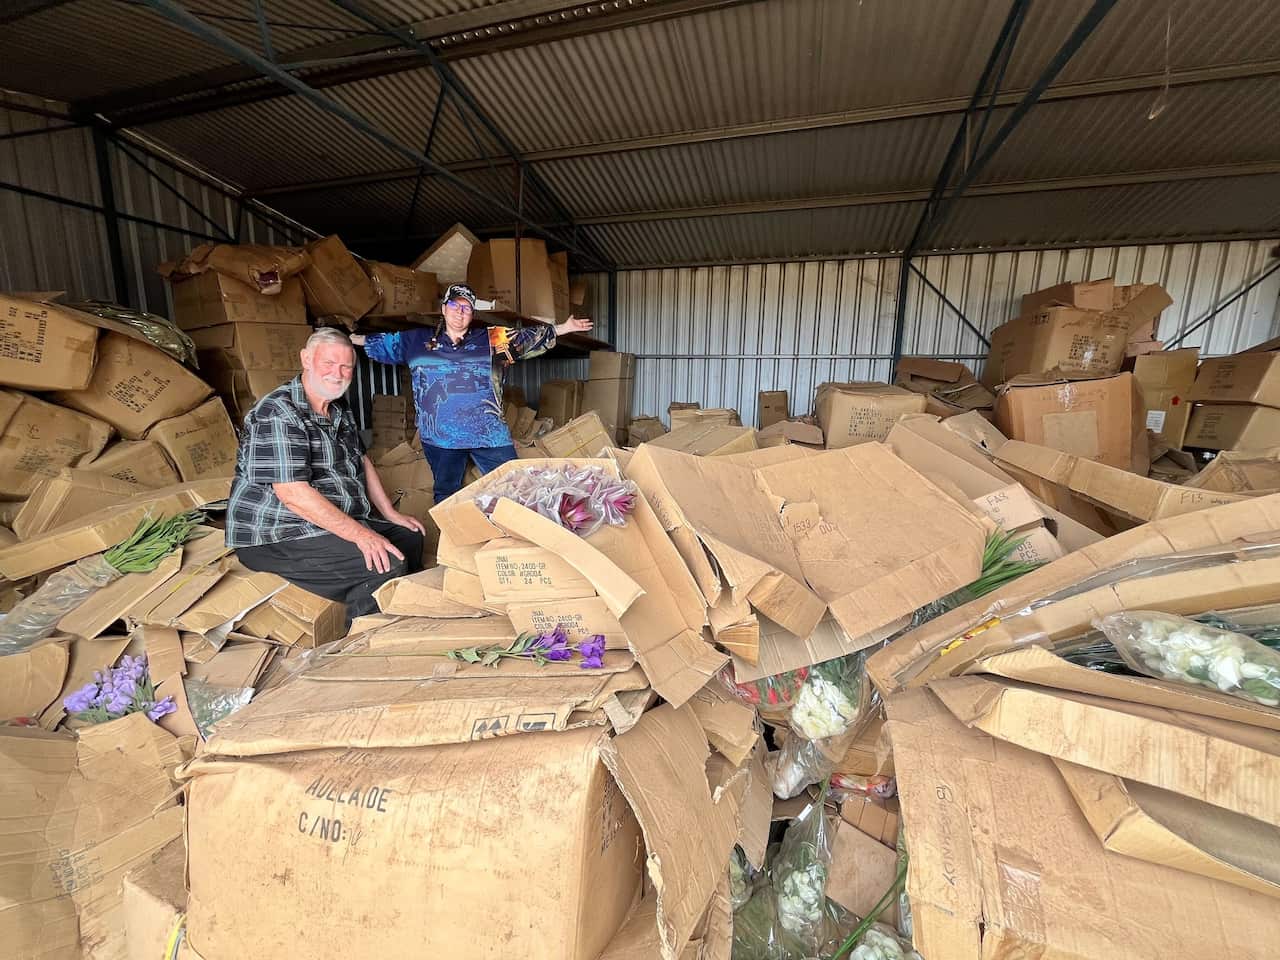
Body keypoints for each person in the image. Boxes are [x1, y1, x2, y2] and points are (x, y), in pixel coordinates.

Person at [226, 327, 426, 625]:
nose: (338, 373)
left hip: (323, 523)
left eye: (346, 366)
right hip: (278, 534)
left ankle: (408, 615)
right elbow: (293, 494)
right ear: (306, 359)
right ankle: (358, 648)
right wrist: (362, 536)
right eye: (329, 364)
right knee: (385, 564)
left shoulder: (337, 406)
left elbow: (362, 458)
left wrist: (389, 514)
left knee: (410, 537)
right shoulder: (278, 412)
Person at [351, 283, 592, 504]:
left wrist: (564, 328)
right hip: (440, 437)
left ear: (472, 313)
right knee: (447, 493)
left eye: (467, 308)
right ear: (444, 309)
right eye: (455, 305)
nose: (460, 312)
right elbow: (379, 342)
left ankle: (515, 536)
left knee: (516, 487)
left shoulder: (491, 339)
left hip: (488, 435)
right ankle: (453, 541)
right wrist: (348, 338)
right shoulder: (415, 340)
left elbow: (527, 339)